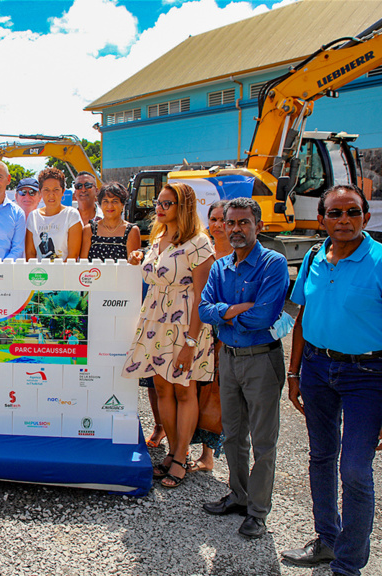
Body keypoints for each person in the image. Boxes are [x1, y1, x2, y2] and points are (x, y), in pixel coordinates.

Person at [282, 185, 382, 576]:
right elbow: (302, 318)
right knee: (321, 456)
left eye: (352, 213)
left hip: (367, 375)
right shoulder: (312, 257)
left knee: (355, 468)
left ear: (366, 218)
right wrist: (294, 373)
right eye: (335, 214)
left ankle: (348, 564)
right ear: (321, 219)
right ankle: (327, 539)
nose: (344, 220)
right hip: (318, 369)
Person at [198, 197, 289, 540]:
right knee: (233, 434)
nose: (235, 229)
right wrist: (235, 309)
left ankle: (258, 512)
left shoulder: (273, 264)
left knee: (264, 439)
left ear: (258, 225)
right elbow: (204, 310)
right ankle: (238, 495)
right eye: (229, 222)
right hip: (230, 358)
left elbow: (263, 317)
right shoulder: (221, 267)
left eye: (243, 223)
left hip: (261, 359)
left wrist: (224, 314)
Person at [122, 183, 214, 489]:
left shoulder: (199, 243)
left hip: (186, 324)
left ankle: (179, 457)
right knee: (161, 389)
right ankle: (174, 453)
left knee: (184, 390)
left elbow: (203, 296)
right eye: (158, 202)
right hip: (156, 321)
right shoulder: (158, 238)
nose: (159, 208)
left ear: (183, 206)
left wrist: (191, 342)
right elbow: (155, 273)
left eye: (167, 203)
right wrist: (139, 256)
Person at [188, 200, 231, 473]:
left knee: (215, 393)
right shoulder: (204, 251)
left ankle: (208, 454)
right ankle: (187, 447)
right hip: (199, 328)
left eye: (222, 220)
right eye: (213, 219)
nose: (217, 225)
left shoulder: (240, 255)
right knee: (195, 389)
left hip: (223, 333)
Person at [25, 167, 82, 261]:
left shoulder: (71, 215)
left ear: (63, 191)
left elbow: (73, 255)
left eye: (56, 189)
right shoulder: (33, 217)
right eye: (46, 190)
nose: (51, 194)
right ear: (40, 192)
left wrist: (57, 274)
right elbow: (30, 253)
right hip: (40, 274)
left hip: (64, 273)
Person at [80, 181, 141, 261]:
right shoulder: (89, 230)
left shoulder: (132, 231)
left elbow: (132, 266)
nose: (110, 206)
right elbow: (83, 264)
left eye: (114, 201)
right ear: (100, 204)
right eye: (106, 201)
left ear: (122, 204)